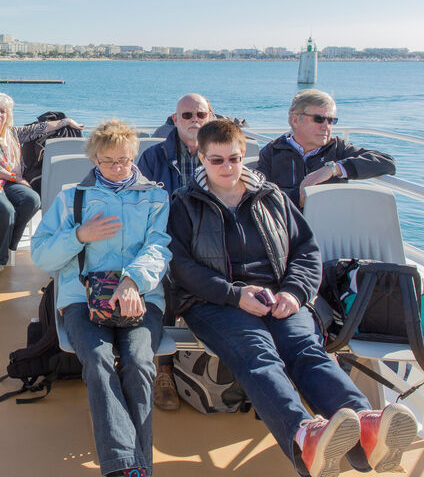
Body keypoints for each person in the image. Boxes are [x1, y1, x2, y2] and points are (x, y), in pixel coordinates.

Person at [167, 120, 419, 477]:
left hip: (279, 295)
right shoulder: (185, 204)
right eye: (217, 160)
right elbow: (180, 267)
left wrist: (294, 292)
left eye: (234, 159)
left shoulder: (271, 196)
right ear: (202, 160)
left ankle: (367, 428)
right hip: (215, 301)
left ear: (244, 156)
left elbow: (306, 251)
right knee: (257, 353)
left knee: (305, 348)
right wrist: (235, 295)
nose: (227, 168)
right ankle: (304, 436)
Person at [32, 119, 171, 477]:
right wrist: (79, 235)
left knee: (139, 363)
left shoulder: (155, 197)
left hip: (140, 295)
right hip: (82, 297)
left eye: (124, 160)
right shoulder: (71, 199)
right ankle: (131, 467)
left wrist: (133, 281)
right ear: (94, 159)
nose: (117, 168)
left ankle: (130, 467)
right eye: (108, 161)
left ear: (134, 156)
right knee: (97, 360)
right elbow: (42, 255)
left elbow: (158, 248)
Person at [137, 93, 212, 411]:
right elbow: (140, 204)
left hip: (210, 241)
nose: (195, 120)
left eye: (201, 115)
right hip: (166, 238)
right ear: (175, 119)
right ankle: (164, 368)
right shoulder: (154, 157)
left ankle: (219, 364)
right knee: (165, 280)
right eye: (187, 115)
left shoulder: (219, 155)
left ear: (210, 118)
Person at [0, 92, 82, 281]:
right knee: (6, 210)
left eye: (3, 111)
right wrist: (17, 178)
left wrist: (65, 122)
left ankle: (3, 244)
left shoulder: (11, 133)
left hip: (6, 183)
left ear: (8, 114)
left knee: (32, 200)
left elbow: (38, 129)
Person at [257, 89, 396, 208]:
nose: (326, 126)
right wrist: (299, 196)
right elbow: (260, 194)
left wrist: (333, 169)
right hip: (286, 225)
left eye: (331, 120)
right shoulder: (272, 152)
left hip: (330, 225)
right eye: (319, 119)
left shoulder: (338, 149)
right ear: (295, 120)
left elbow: (387, 162)